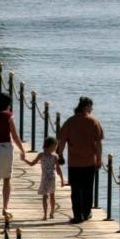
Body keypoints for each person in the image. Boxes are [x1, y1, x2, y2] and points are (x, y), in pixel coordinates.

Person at [53, 95, 105, 225]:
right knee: (88, 188)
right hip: (89, 161)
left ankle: (77, 215)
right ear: (87, 107)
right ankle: (86, 212)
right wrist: (99, 159)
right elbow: (98, 143)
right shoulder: (94, 122)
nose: (92, 109)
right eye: (91, 107)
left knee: (76, 189)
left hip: (74, 162)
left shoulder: (70, 121)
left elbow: (62, 140)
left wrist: (60, 155)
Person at [34, 128, 62, 221]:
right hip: (50, 178)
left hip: (47, 178)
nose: (55, 149)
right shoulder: (54, 156)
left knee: (47, 196)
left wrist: (62, 179)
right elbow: (58, 169)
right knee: (50, 196)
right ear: (49, 146)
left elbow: (58, 168)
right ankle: (50, 213)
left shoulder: (42, 155)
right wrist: (61, 179)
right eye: (54, 147)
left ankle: (49, 213)